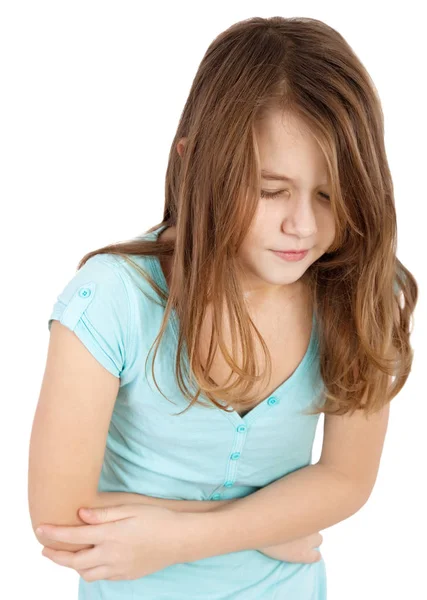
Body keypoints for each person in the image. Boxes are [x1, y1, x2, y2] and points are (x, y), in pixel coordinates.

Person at [29, 15, 418, 600]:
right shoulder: (112, 300)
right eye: (270, 190)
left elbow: (346, 479)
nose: (303, 226)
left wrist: (184, 537)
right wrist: (266, 527)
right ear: (194, 163)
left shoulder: (356, 292)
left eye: (329, 194)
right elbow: (61, 515)